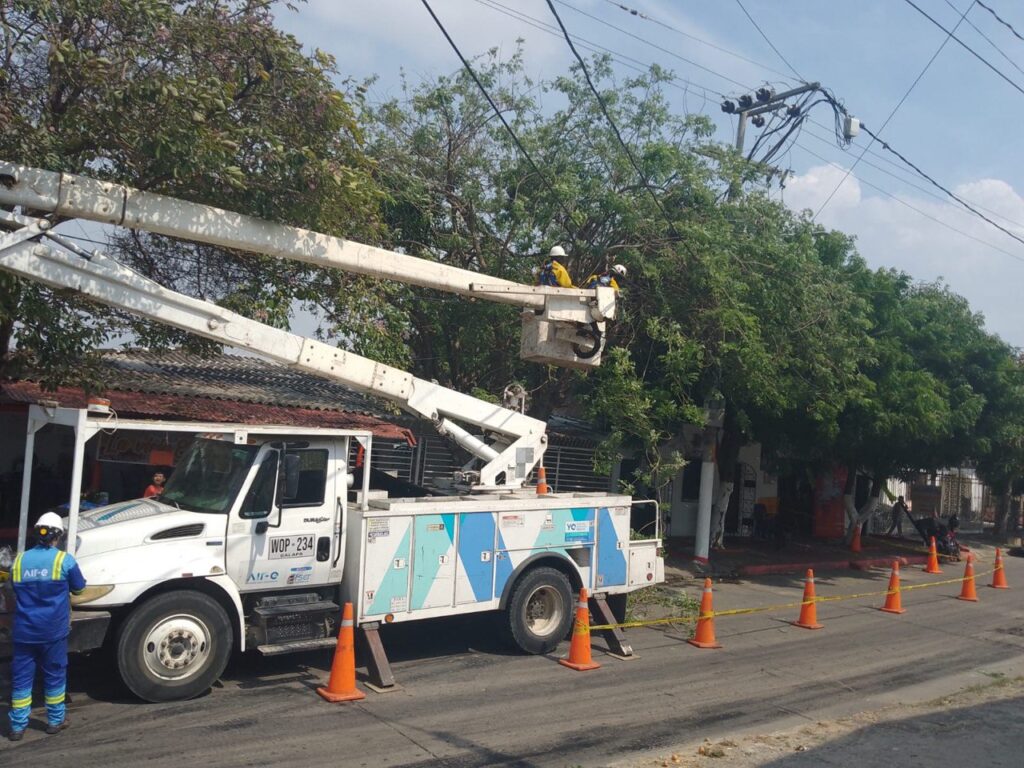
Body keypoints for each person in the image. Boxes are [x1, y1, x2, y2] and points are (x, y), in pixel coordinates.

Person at [8, 512, 86, 741]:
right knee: (54, 675)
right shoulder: (64, 560)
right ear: (58, 536)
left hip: (24, 631)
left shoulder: (19, 560)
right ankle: (55, 720)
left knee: (22, 679)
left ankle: (17, 726)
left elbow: (12, 589)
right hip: (53, 631)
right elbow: (79, 588)